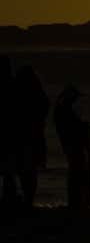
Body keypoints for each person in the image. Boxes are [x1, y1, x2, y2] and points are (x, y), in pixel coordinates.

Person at [54, 84, 90, 209]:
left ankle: (76, 200)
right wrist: (84, 127)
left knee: (75, 172)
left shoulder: (61, 109)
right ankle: (77, 201)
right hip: (73, 145)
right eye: (74, 97)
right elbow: (72, 128)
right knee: (77, 172)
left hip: (69, 145)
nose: (75, 100)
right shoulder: (65, 110)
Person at [15, 66, 50, 209]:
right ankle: (29, 199)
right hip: (34, 137)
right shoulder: (39, 96)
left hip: (27, 137)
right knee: (30, 170)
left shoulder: (20, 96)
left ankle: (28, 199)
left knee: (26, 170)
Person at [0, 56, 18, 206]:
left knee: (7, 168)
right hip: (11, 132)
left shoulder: (11, 86)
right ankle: (9, 195)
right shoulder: (14, 85)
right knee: (8, 169)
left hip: (8, 132)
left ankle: (9, 195)